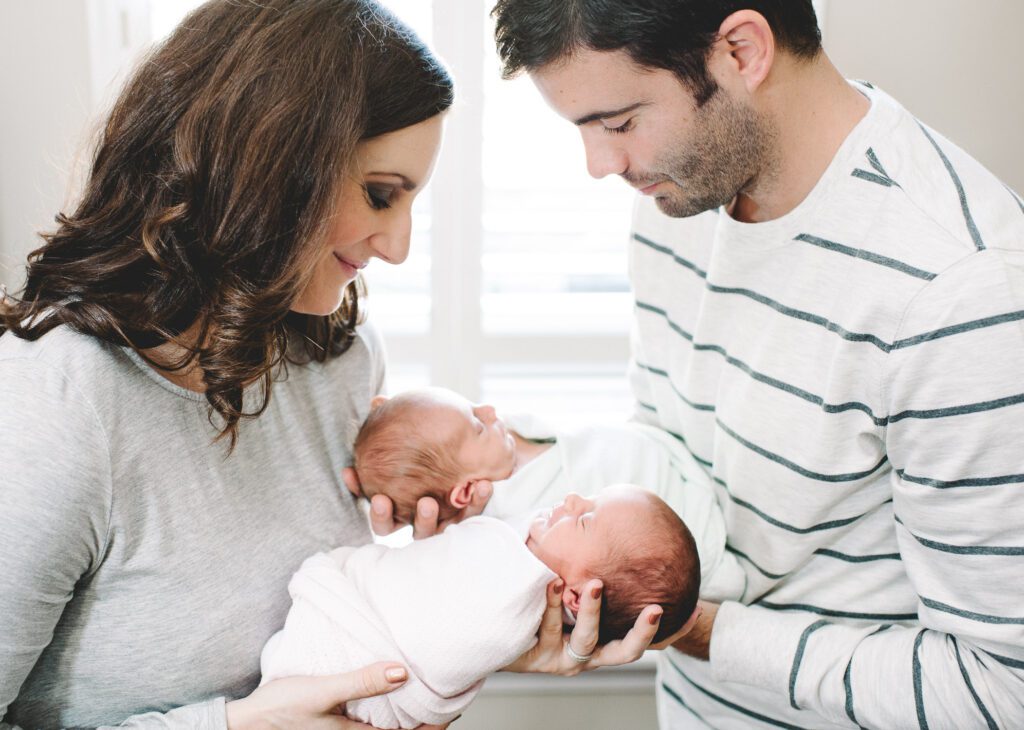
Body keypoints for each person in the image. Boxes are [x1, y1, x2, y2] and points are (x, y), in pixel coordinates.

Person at [0, 2, 661, 728]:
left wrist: (464, 618)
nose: (399, 247)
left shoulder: (338, 356)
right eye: (380, 195)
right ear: (265, 166)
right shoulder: (58, 403)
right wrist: (235, 726)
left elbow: (337, 640)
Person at [489, 0, 1024, 727]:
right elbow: (674, 462)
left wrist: (691, 627)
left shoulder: (961, 290)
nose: (601, 165)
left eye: (618, 123)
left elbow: (1001, 691)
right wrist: (504, 488)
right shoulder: (676, 200)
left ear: (741, 51)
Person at [261, 485, 701, 729]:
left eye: (584, 519)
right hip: (344, 607)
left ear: (577, 596)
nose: (571, 501)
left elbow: (443, 649)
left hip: (344, 645)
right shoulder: (521, 548)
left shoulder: (509, 603)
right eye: (590, 496)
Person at [350, 387, 745, 601]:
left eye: (472, 404)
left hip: (666, 457)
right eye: (477, 425)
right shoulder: (510, 525)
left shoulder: (511, 436)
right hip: (676, 530)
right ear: (466, 491)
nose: (490, 410)